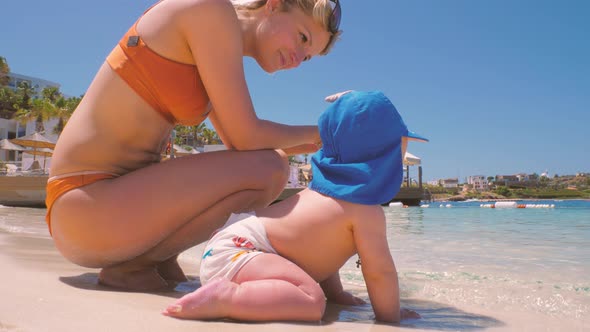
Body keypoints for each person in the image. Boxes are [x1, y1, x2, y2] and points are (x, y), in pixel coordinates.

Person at [46, 0, 342, 291]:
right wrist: (327, 132)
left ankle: (158, 258)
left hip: (108, 212)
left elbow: (245, 148)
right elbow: (247, 137)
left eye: (307, 57)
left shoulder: (218, 42)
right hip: (83, 203)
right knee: (272, 169)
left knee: (269, 165)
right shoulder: (210, 10)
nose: (298, 58)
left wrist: (327, 143)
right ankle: (136, 265)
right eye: (303, 38)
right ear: (274, 5)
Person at [162, 90, 427, 323]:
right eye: (399, 144)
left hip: (231, 248)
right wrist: (391, 316)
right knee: (311, 302)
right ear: (383, 152)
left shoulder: (325, 195)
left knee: (313, 291)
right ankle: (228, 297)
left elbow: (317, 253)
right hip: (241, 254)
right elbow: (379, 271)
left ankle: (228, 292)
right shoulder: (366, 212)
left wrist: (335, 293)